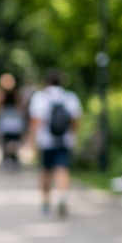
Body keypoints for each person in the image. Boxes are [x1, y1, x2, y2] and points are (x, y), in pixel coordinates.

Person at [28, 69, 81, 218]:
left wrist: (31, 140)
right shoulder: (70, 97)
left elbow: (35, 121)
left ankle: (46, 202)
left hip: (45, 141)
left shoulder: (40, 97)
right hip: (65, 140)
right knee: (62, 168)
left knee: (45, 171)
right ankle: (63, 196)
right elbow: (75, 120)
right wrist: (73, 135)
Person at [0, 72, 25, 169]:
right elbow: (21, 106)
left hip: (5, 120)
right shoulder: (16, 94)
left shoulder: (1, 94)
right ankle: (12, 157)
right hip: (14, 120)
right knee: (13, 140)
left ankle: (8, 157)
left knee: (6, 140)